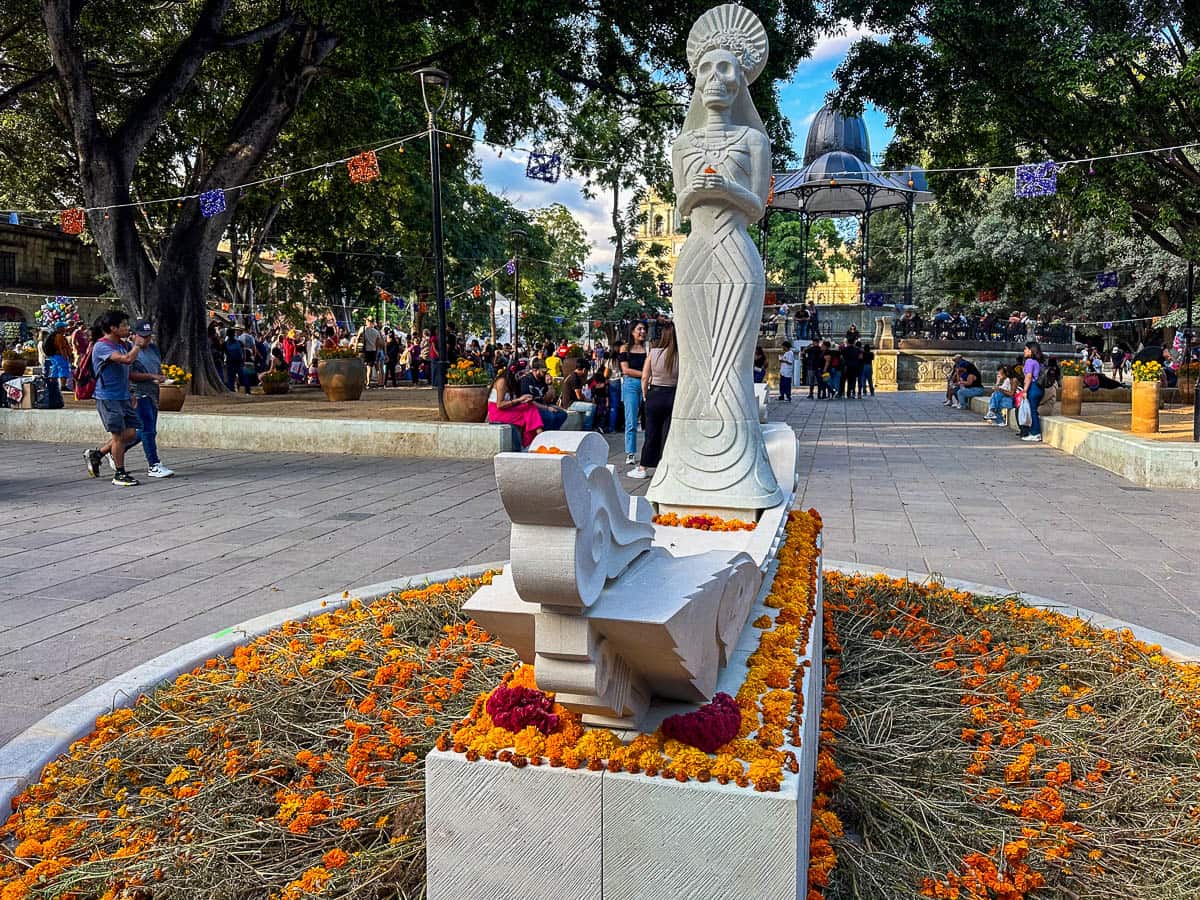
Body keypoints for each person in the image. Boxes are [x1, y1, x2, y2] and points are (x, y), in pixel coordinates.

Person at [82, 310, 144, 487]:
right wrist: (137, 345)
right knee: (117, 436)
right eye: (123, 325)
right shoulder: (102, 346)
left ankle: (98, 454)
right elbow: (125, 360)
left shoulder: (122, 344)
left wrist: (131, 392)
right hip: (108, 396)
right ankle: (119, 473)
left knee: (131, 434)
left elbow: (126, 372)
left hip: (123, 396)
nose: (127, 328)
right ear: (113, 328)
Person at [629, 321, 679, 480]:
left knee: (651, 433)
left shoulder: (654, 352)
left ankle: (643, 467)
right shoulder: (681, 355)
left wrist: (645, 395)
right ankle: (666, 466)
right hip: (673, 395)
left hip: (655, 394)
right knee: (669, 433)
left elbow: (645, 377)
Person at [126, 319, 174, 478]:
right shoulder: (129, 350)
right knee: (148, 429)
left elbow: (157, 366)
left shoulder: (153, 349)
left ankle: (112, 450)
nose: (146, 339)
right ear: (133, 335)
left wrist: (160, 376)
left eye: (148, 336)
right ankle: (153, 464)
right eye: (142, 336)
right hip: (138, 393)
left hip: (153, 392)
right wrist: (150, 376)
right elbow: (130, 374)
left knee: (146, 430)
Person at [486, 367, 543, 447]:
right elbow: (500, 405)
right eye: (522, 374)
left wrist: (523, 400)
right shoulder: (502, 381)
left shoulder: (513, 382)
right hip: (497, 412)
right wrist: (519, 400)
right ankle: (539, 438)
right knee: (529, 412)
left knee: (530, 407)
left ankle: (536, 439)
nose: (524, 376)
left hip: (507, 409)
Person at [619, 322, 648, 465]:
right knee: (630, 419)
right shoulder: (625, 348)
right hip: (631, 384)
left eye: (644, 329)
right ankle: (630, 452)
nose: (642, 331)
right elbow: (625, 370)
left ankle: (650, 452)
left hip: (647, 384)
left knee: (649, 419)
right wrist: (644, 374)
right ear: (632, 331)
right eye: (639, 329)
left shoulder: (647, 348)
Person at [1019, 341, 1046, 442]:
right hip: (1039, 388)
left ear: (1031, 350)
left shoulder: (1029, 361)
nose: (1024, 351)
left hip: (1033, 388)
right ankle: (1033, 431)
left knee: (1032, 411)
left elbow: (1028, 376)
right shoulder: (1039, 362)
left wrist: (1025, 390)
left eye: (1026, 349)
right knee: (1033, 410)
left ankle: (1036, 433)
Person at [559, 359, 595, 430]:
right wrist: (588, 400)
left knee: (589, 406)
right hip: (570, 404)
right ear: (584, 370)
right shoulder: (575, 378)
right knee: (591, 407)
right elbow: (579, 396)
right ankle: (587, 429)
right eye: (587, 371)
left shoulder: (572, 375)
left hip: (569, 402)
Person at [356, 317, 383, 386]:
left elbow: (357, 338)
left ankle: (365, 382)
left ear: (367, 321)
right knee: (370, 367)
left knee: (364, 367)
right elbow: (378, 344)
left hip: (364, 351)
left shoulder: (363, 328)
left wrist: (355, 348)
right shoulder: (376, 331)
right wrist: (377, 352)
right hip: (373, 351)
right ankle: (369, 382)